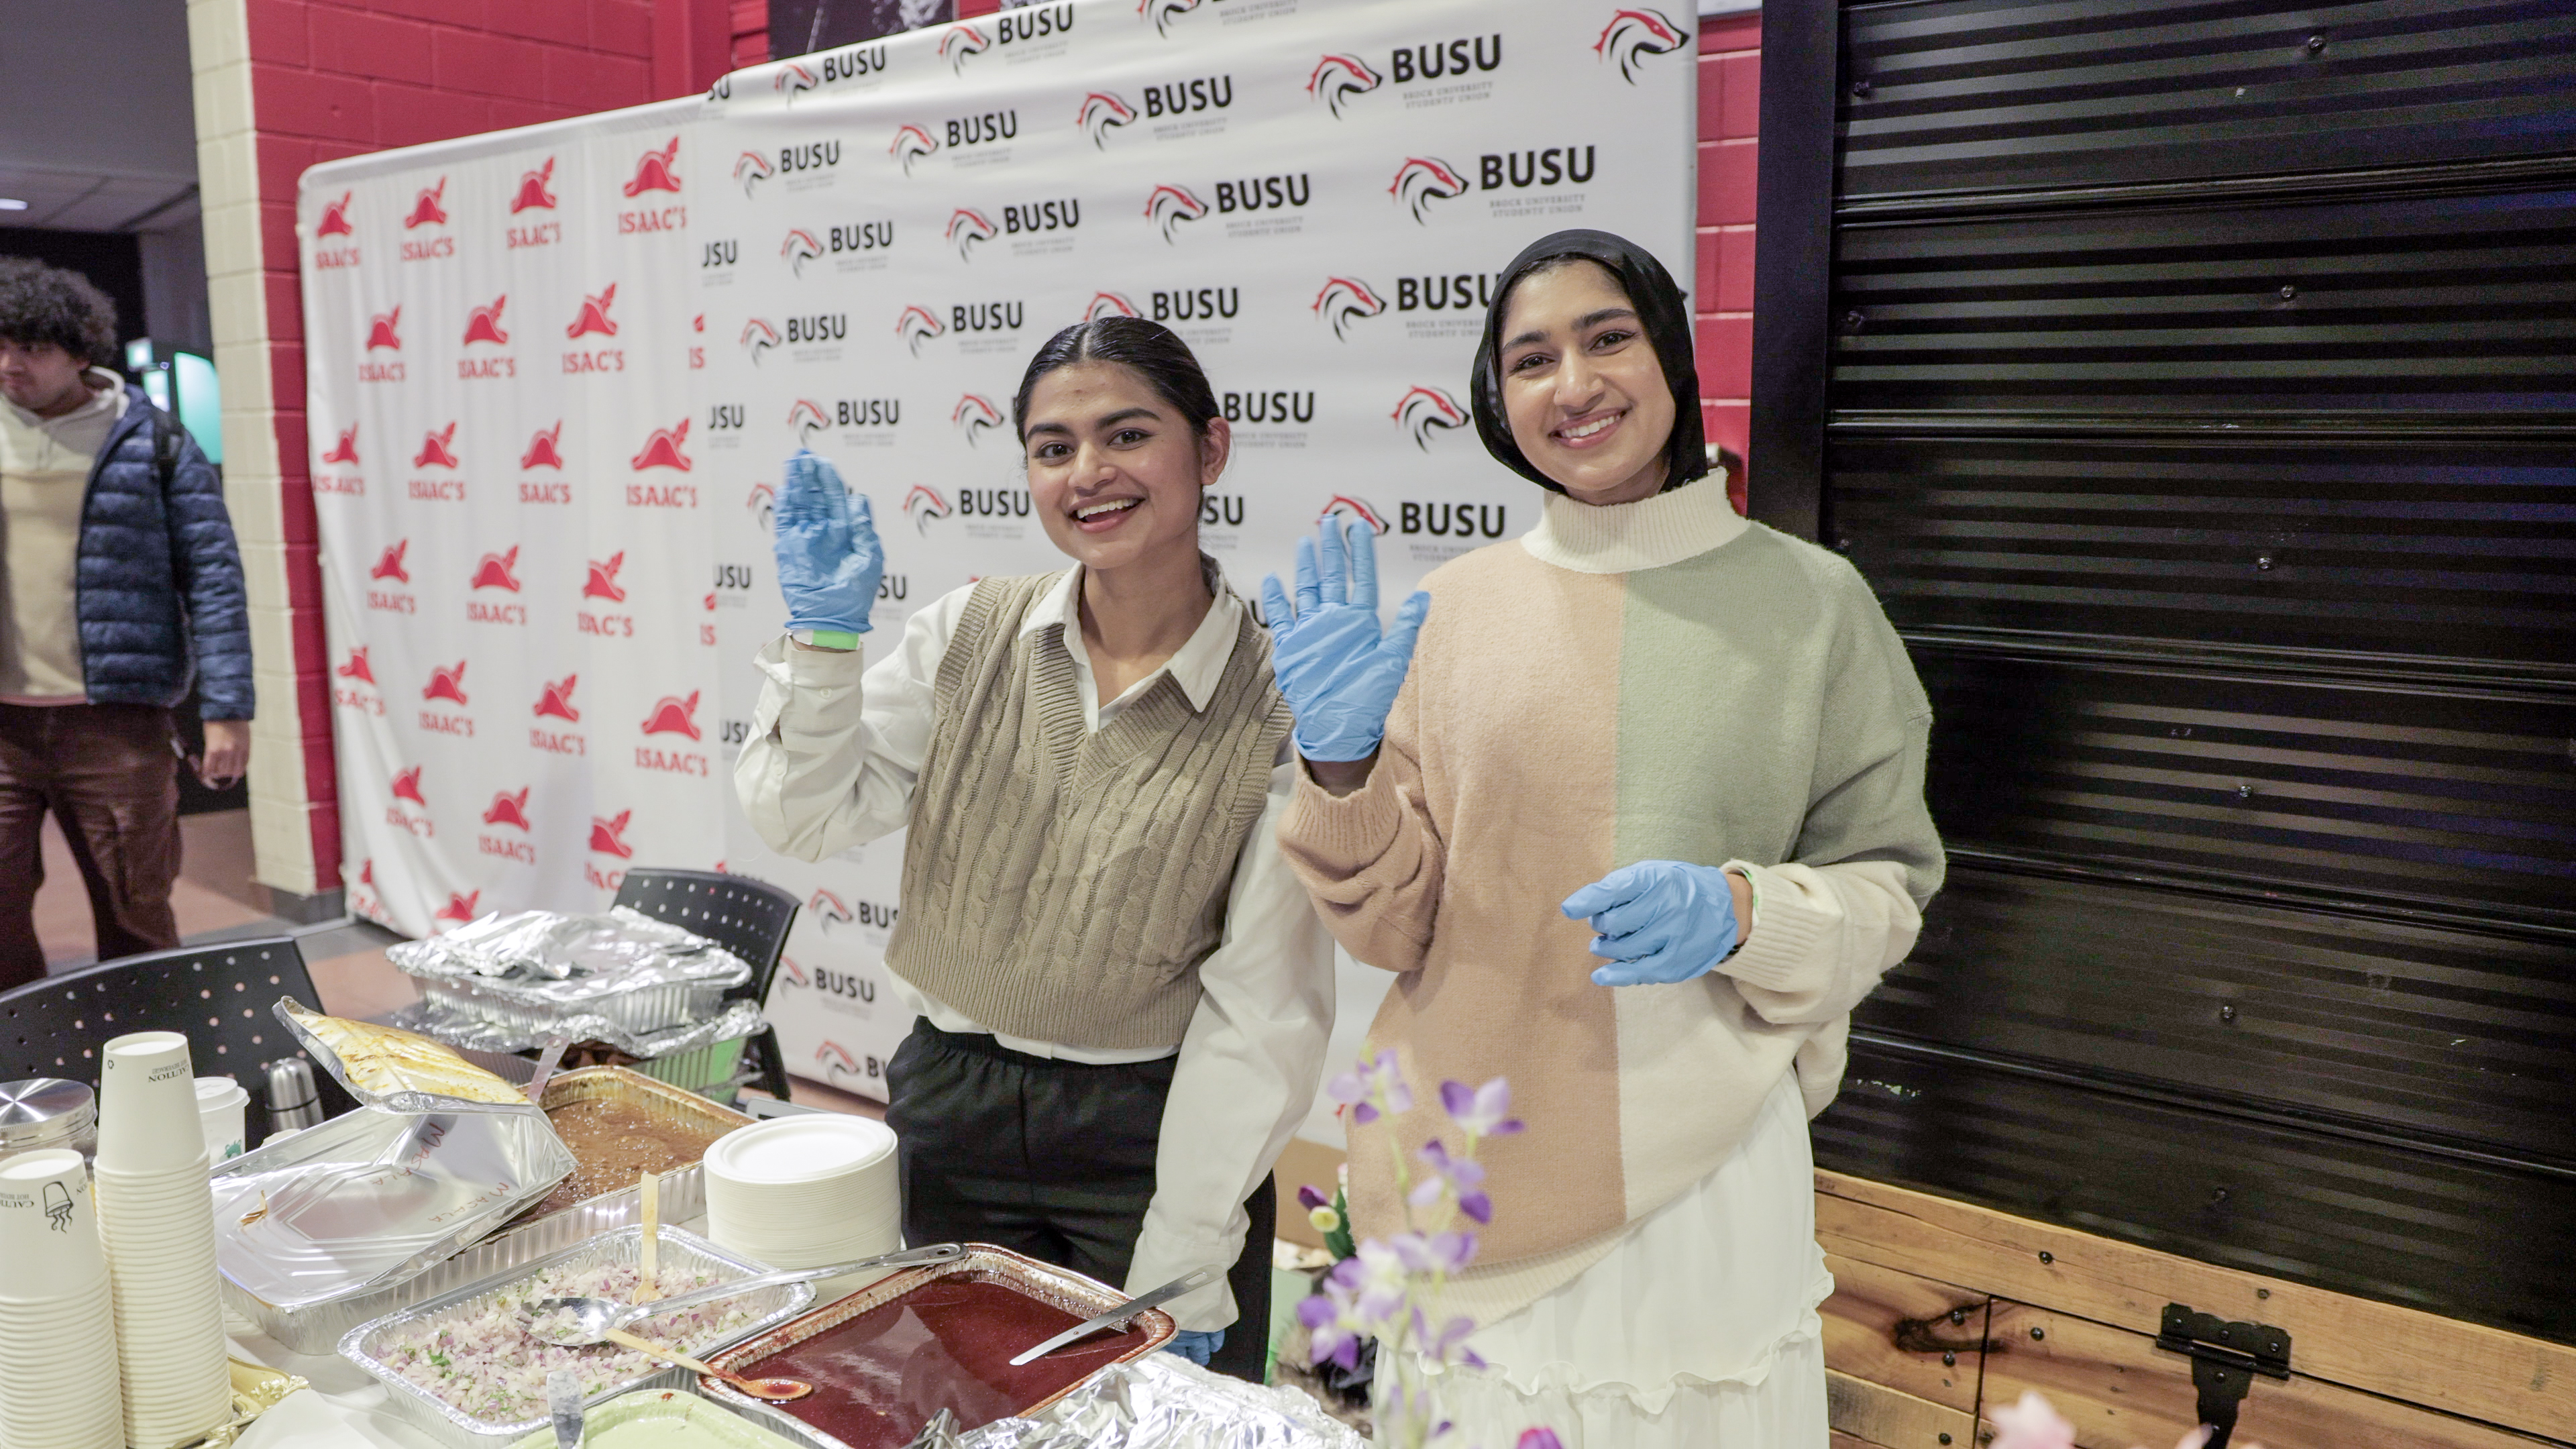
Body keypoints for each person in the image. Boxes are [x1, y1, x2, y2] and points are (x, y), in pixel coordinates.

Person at [1265, 230, 1943, 1444]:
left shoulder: (1814, 604)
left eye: (1607, 338)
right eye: (1530, 359)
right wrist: (1339, 765)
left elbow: (1889, 889)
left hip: (1702, 1179)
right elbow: (1389, 925)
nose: (1572, 385)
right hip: (1467, 1167)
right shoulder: (1454, 609)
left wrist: (1745, 913)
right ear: (1495, 396)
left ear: (1673, 357)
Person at [735, 317, 1334, 1379]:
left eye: (1126, 435)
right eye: (1053, 448)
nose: (1088, 473)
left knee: (1156, 1415)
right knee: (961, 1406)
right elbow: (805, 816)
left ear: (1212, 448)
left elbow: (1262, 1007)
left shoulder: (1282, 698)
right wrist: (825, 644)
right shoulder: (968, 633)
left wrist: (1190, 1248)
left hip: (1151, 1137)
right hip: (951, 1110)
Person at [0, 258, 251, 991]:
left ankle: (152, 1065)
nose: (12, 364)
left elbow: (214, 575)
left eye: (34, 349)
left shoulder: (153, 440)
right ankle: (20, 1077)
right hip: (2, 731)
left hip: (116, 723)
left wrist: (229, 711)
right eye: (3, 344)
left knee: (136, 910)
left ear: (82, 353)